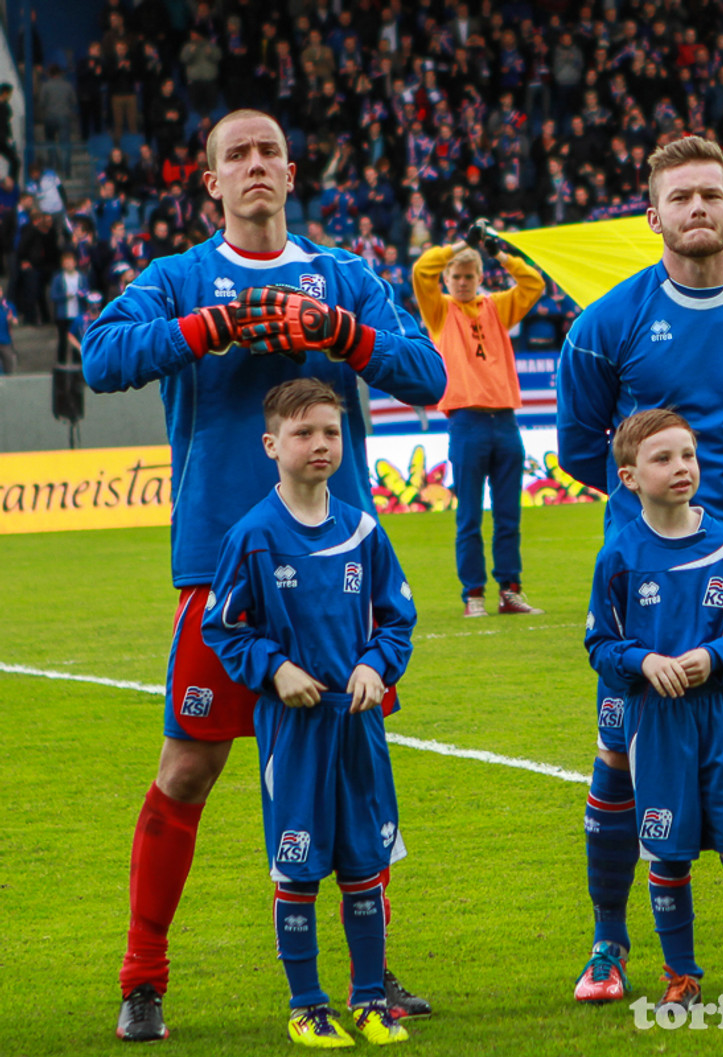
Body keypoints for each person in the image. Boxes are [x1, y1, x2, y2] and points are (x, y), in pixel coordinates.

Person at [82, 108, 445, 1043]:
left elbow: (426, 372)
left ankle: (371, 976)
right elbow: (100, 356)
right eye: (235, 155)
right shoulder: (179, 278)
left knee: (354, 767)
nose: (255, 165)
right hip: (222, 566)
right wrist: (205, 328)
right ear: (211, 182)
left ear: (291, 171)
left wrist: (340, 332)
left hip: (336, 572)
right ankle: (142, 977)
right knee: (188, 768)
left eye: (268, 152)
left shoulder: (344, 275)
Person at [556, 136, 723, 1004]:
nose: (697, 209)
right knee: (621, 752)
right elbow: (582, 448)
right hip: (649, 572)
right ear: (654, 216)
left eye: (711, 194)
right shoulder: (607, 324)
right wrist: (659, 522)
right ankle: (608, 944)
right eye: (680, 198)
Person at [202, 378, 415, 1048]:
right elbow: (223, 628)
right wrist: (274, 667)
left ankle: (371, 1000)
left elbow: (398, 619)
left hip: (358, 726)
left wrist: (376, 665)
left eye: (331, 431)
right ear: (271, 445)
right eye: (303, 433)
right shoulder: (252, 536)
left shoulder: (363, 529)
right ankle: (306, 1006)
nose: (320, 443)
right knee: (297, 866)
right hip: (293, 732)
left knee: (363, 866)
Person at [586, 409, 723, 1014]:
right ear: (629, 477)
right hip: (656, 723)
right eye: (663, 458)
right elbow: (600, 645)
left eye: (688, 455)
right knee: (667, 848)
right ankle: (681, 976)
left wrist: (713, 656)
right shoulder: (619, 556)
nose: (681, 468)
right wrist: (644, 661)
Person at [412, 220, 546, 618]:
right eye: (456, 276)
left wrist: (498, 251)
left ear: (480, 278)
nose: (462, 282)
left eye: (469, 276)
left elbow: (534, 284)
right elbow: (421, 270)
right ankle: (473, 594)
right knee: (468, 516)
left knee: (509, 516)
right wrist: (459, 246)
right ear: (447, 279)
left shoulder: (496, 307)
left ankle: (509, 591)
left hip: (504, 422)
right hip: (467, 421)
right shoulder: (439, 311)